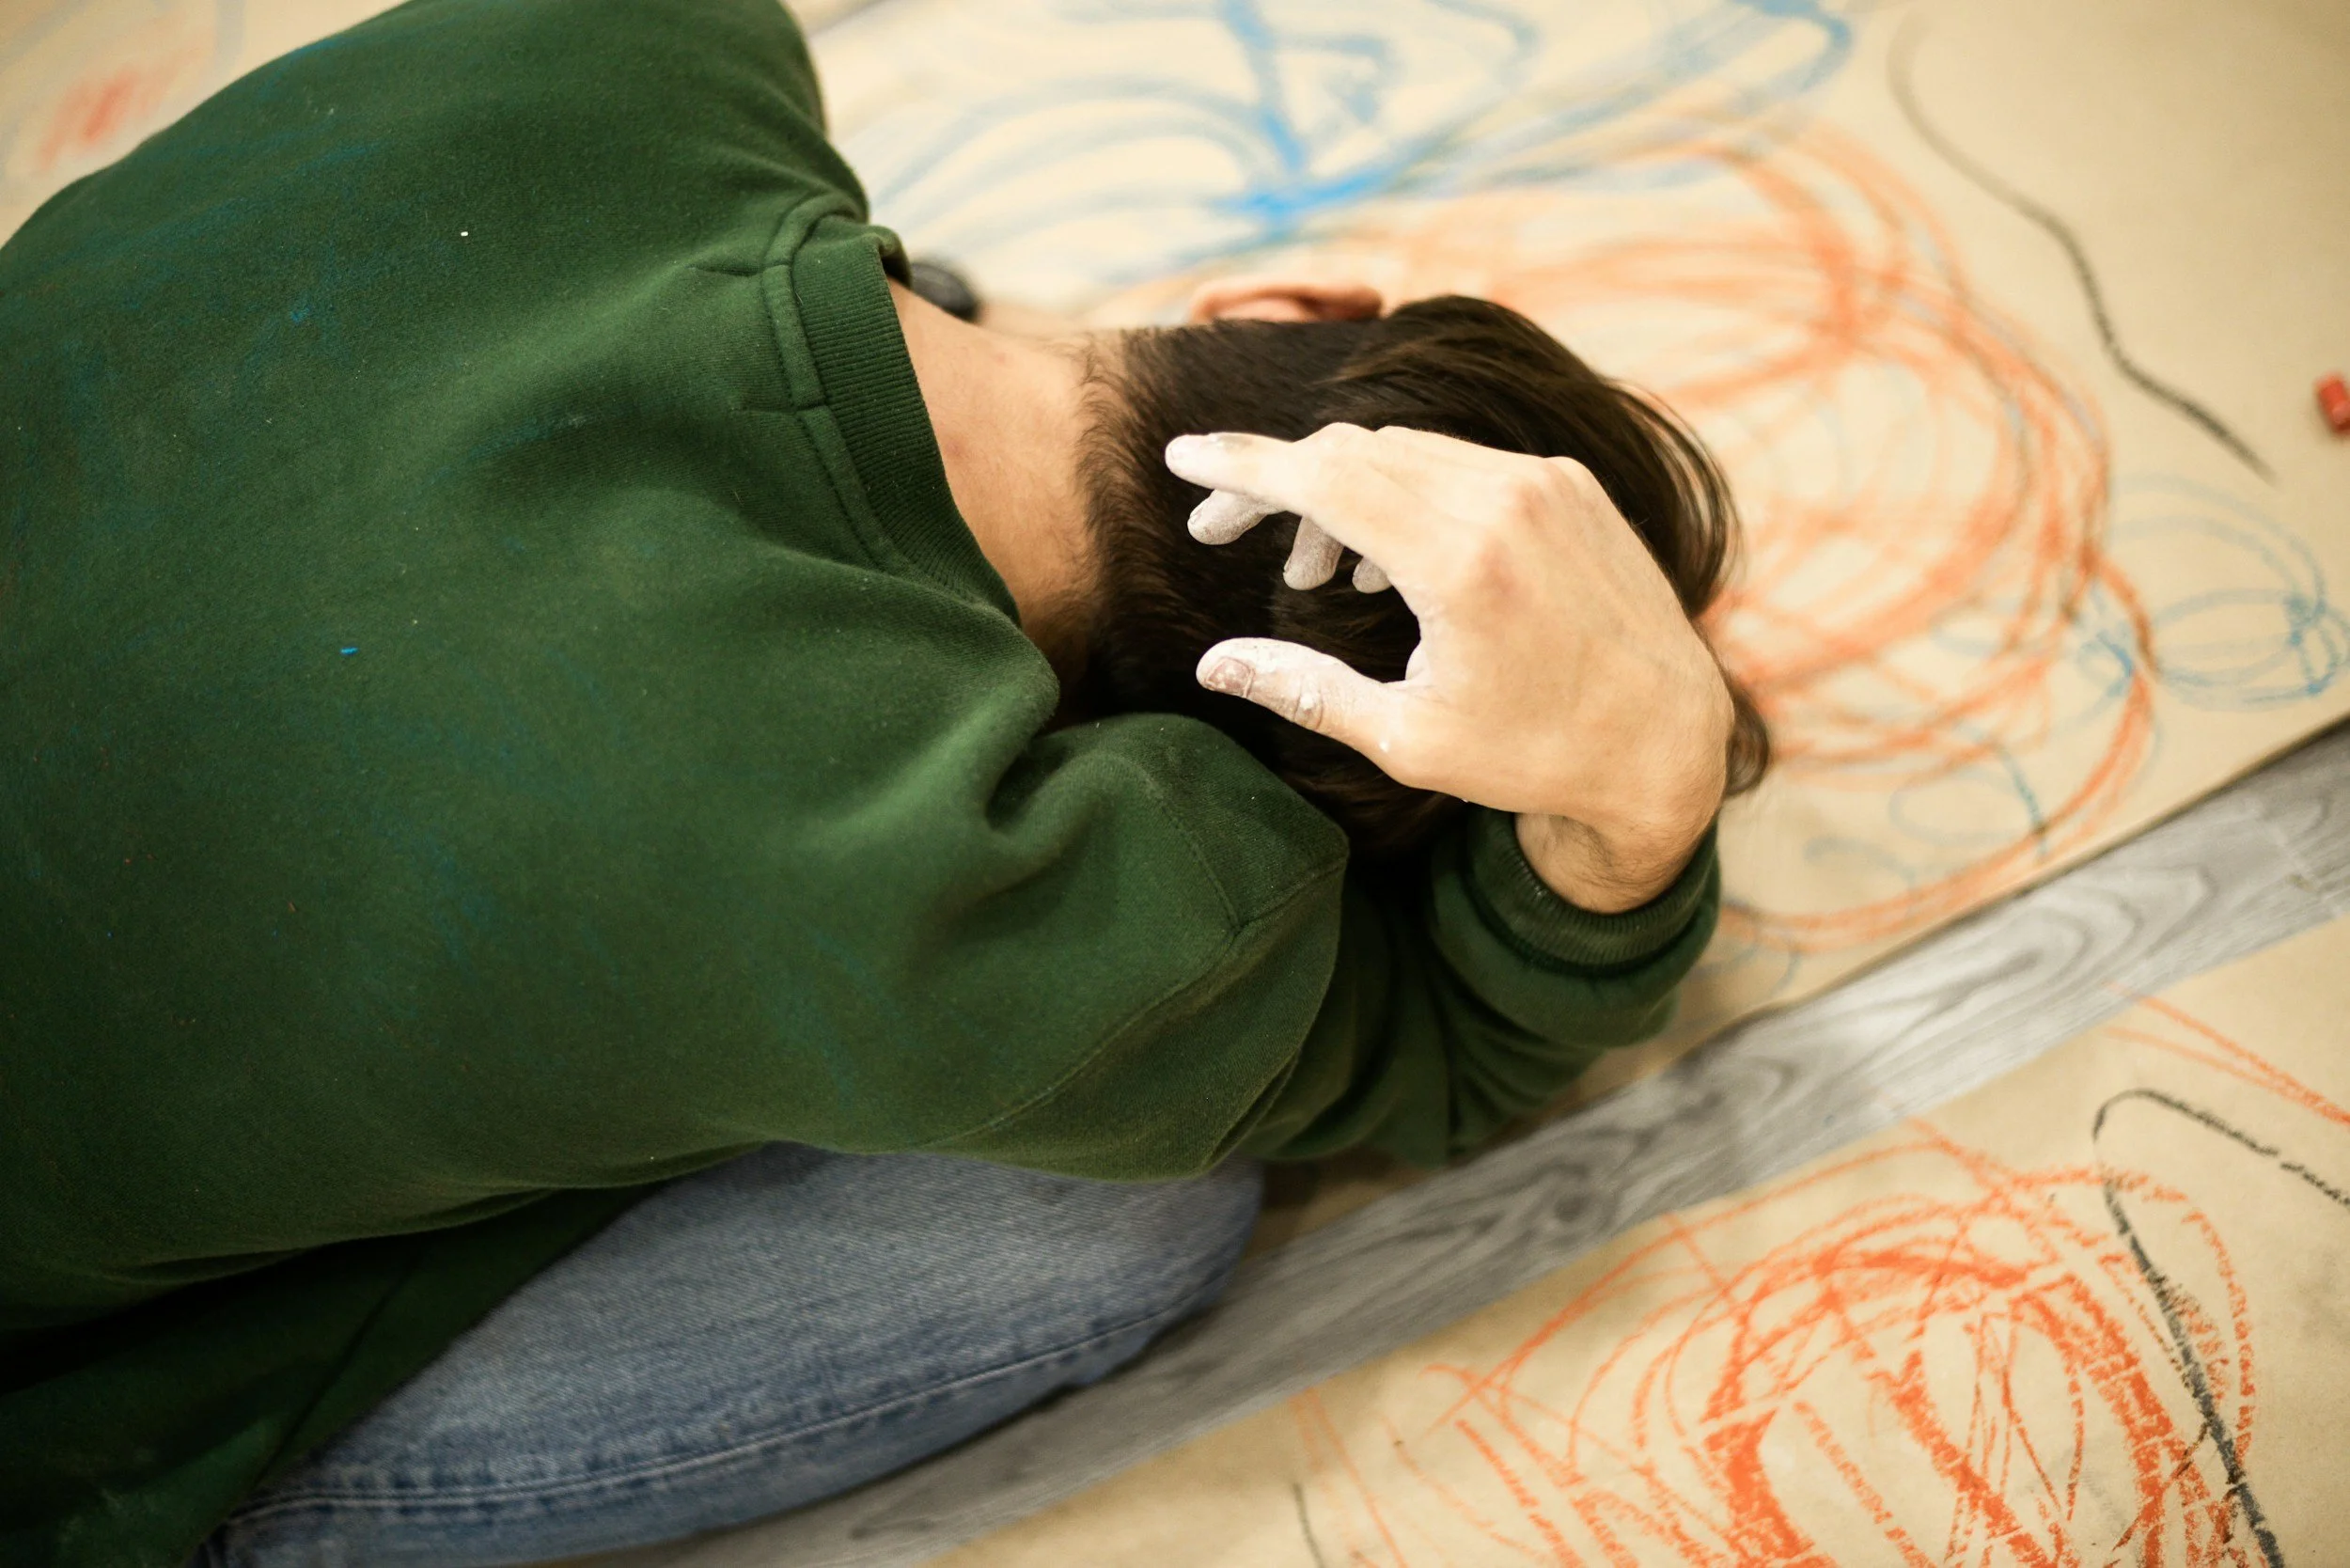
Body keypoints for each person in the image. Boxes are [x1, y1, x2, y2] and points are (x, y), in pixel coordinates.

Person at [0, 0, 1765, 1562]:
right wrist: (1642, 797)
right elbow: (1463, 1050)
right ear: (1187, 771)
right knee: (1126, 1219)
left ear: (1274, 302)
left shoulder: (637, 45)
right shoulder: (1016, 901)